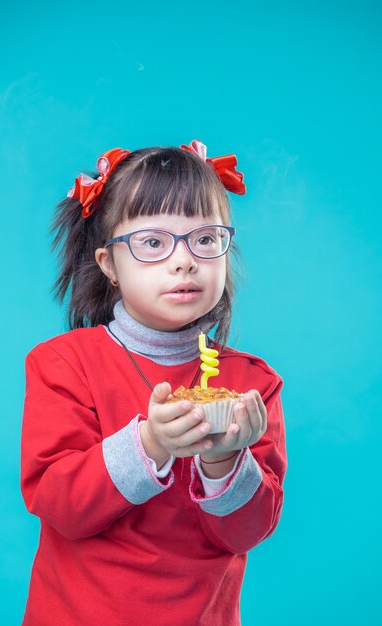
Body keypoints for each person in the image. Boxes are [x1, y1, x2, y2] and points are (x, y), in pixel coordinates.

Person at [20, 139, 287, 626]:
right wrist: (151, 442)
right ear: (109, 265)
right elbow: (60, 505)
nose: (185, 261)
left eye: (205, 239)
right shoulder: (63, 364)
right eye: (153, 243)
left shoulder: (252, 384)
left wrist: (225, 458)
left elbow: (245, 533)